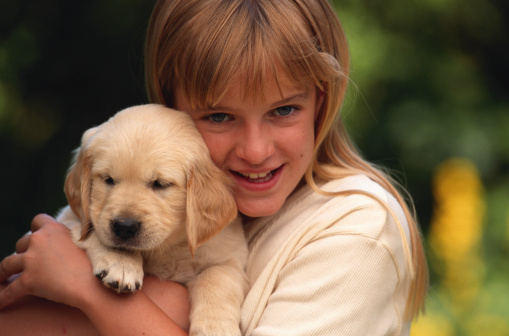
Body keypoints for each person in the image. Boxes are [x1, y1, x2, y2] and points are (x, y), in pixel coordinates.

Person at [0, 0, 428, 335]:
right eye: (219, 117)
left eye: (283, 110)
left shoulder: (356, 232)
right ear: (172, 110)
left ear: (322, 100)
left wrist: (89, 292)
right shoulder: (197, 189)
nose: (256, 151)